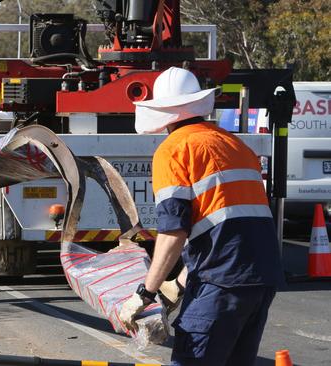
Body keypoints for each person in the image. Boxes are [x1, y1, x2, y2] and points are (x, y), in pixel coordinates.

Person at [119, 67, 284, 365]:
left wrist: (145, 293)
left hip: (221, 281)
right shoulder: (234, 144)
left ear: (163, 111)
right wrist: (180, 283)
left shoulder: (174, 150)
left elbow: (174, 233)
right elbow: (224, 224)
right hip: (261, 278)